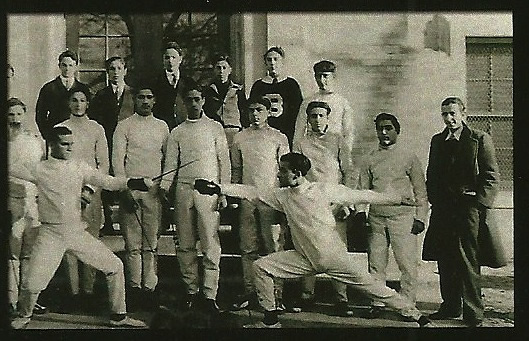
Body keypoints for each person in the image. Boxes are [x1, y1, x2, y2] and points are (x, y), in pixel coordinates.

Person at [194, 152, 431, 328]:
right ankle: (270, 319)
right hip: (304, 258)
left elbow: (362, 194)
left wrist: (399, 198)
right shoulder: (282, 195)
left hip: (334, 257)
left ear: (296, 173)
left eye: (283, 170)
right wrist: (218, 187)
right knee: (261, 267)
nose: (278, 173)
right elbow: (252, 191)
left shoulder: (322, 190)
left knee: (376, 289)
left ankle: (416, 316)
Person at [9, 126, 151, 329]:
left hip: (76, 232)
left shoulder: (79, 166)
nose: (69, 148)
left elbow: (108, 182)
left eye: (71, 144)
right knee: (32, 285)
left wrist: (134, 182)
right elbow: (11, 167)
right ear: (51, 145)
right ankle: (24, 315)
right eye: (64, 144)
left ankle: (118, 316)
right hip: (51, 234)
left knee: (115, 266)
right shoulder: (39, 169)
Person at [422, 97, 500, 327]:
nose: (449, 118)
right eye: (445, 114)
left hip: (469, 211)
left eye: (453, 113)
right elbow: (432, 176)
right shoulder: (438, 141)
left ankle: (474, 312)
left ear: (464, 114)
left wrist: (479, 204)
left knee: (468, 261)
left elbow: (491, 176)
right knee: (445, 259)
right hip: (444, 211)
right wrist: (435, 200)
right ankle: (450, 306)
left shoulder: (479, 139)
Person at [160, 84, 231, 314]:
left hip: (209, 190)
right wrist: (165, 186)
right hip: (183, 190)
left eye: (197, 99)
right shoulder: (177, 131)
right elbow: (171, 163)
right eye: (189, 99)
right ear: (183, 102)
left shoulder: (215, 128)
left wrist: (223, 191)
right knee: (185, 243)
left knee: (210, 244)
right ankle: (191, 291)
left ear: (203, 100)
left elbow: (224, 162)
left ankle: (210, 295)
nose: (193, 104)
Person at [357, 112, 428, 316]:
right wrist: (362, 213)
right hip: (377, 219)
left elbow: (420, 190)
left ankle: (407, 305)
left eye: (388, 128)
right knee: (376, 264)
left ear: (397, 130)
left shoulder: (408, 156)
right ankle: (378, 303)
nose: (384, 132)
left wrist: (420, 217)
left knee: (406, 264)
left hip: (403, 218)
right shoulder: (370, 158)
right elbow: (364, 190)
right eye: (380, 128)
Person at [293, 101, 355, 317]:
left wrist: (345, 202)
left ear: (328, 118)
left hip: (335, 203)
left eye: (321, 115)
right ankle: (307, 295)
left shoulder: (338, 140)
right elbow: (296, 175)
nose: (317, 120)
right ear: (308, 119)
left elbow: (348, 171)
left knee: (338, 250)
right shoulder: (301, 143)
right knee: (307, 247)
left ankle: (341, 299)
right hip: (310, 204)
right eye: (313, 116)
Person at [229, 96, 290, 311]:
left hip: (271, 199)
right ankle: (250, 292)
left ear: (268, 112)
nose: (255, 114)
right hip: (247, 198)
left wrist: (283, 200)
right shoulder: (239, 137)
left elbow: (284, 172)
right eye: (252, 110)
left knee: (272, 246)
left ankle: (276, 295)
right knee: (248, 247)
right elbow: (236, 169)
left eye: (260, 110)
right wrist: (235, 196)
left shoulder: (278, 138)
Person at [112, 84, 169, 310]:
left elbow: (168, 159)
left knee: (151, 243)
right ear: (134, 100)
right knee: (132, 244)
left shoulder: (162, 127)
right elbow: (118, 161)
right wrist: (123, 189)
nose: (145, 101)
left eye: (149, 97)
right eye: (141, 97)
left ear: (154, 100)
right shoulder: (124, 126)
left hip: (154, 191)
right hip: (131, 190)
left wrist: (164, 188)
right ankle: (134, 289)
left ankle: (150, 289)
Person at [55, 89, 109, 308]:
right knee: (68, 240)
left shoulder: (96, 129)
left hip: (90, 193)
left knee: (90, 239)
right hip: (66, 191)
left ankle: (88, 291)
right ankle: (73, 293)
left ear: (88, 104)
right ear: (69, 103)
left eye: (82, 101)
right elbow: (54, 161)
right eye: (74, 100)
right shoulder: (60, 128)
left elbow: (103, 164)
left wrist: (90, 190)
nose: (78, 104)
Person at [7, 97, 48, 317]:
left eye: (18, 114)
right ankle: (10, 299)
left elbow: (40, 169)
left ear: (25, 115)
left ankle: (28, 299)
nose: (15, 119)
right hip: (11, 200)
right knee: (12, 252)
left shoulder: (34, 141)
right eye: (10, 115)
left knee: (29, 252)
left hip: (33, 200)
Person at [88, 56, 135, 235]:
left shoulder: (133, 93)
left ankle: (126, 222)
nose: (115, 73)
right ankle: (107, 220)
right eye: (112, 69)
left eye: (118, 68)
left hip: (127, 143)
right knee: (107, 179)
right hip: (107, 141)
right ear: (107, 73)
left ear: (125, 71)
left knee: (125, 178)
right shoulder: (101, 95)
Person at [293, 60, 354, 150]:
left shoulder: (342, 102)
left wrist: (344, 155)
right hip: (312, 150)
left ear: (333, 77)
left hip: (333, 149)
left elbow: (348, 133)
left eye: (325, 76)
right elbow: (299, 132)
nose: (321, 80)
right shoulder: (307, 102)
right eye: (318, 76)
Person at [249, 46, 303, 148]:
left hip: (286, 132)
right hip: (264, 134)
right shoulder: (259, 85)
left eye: (276, 59)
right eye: (269, 60)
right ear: (265, 63)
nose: (272, 63)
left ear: (282, 62)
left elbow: (298, 112)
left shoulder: (291, 85)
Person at [35, 50, 91, 143]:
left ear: (76, 67)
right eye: (64, 65)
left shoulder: (83, 88)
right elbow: (40, 114)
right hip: (55, 134)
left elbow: (89, 112)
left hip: (78, 134)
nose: (67, 69)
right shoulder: (49, 88)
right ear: (59, 66)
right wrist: (47, 134)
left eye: (71, 65)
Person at [203, 53, 248, 147]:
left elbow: (244, 113)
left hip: (235, 132)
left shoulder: (237, 90)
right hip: (214, 133)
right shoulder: (208, 91)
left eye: (224, 68)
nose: (221, 71)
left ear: (230, 70)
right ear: (214, 70)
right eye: (218, 68)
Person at [152, 41, 195, 130]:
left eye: (173, 57)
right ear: (163, 60)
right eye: (167, 58)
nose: (170, 61)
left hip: (184, 128)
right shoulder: (155, 82)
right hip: (162, 128)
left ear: (180, 59)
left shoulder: (189, 82)